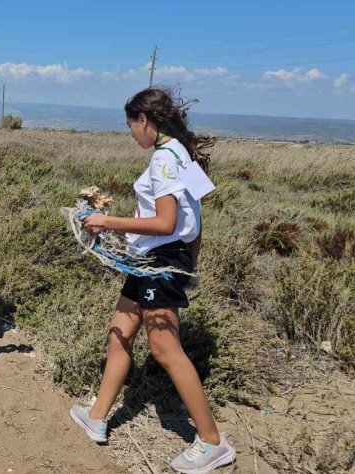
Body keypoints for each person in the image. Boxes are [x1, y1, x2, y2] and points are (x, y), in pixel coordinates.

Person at [68, 87, 235, 473]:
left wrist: (106, 220)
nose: (132, 134)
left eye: (131, 125)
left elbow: (166, 222)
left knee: (163, 349)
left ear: (144, 120)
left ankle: (212, 441)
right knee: (119, 332)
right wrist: (190, 263)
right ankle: (97, 415)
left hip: (158, 261)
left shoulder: (164, 157)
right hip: (154, 260)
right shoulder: (184, 153)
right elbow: (197, 220)